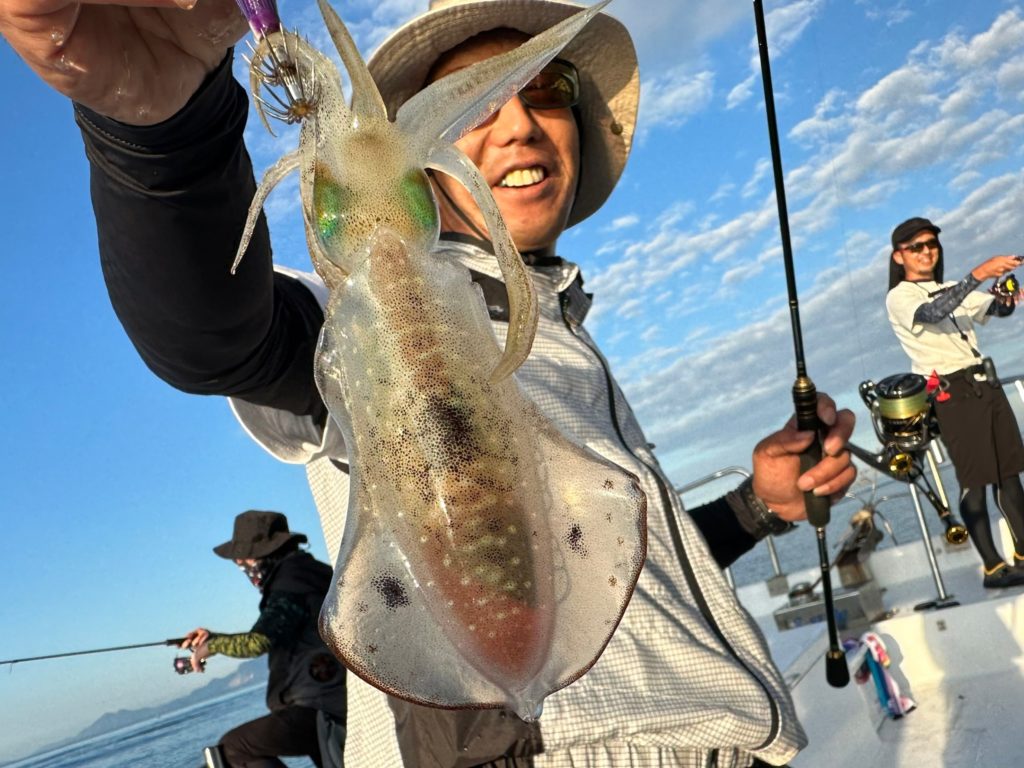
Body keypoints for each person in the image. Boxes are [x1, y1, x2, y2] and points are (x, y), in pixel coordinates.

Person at [0, 1, 857, 766]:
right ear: (423, 169)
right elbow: (212, 335)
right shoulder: (341, 330)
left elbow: (603, 580)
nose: (519, 124)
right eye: (473, 102)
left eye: (548, 89)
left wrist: (756, 507)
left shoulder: (566, 335)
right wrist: (164, 133)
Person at [886, 216, 1024, 589]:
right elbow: (933, 313)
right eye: (916, 246)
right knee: (974, 482)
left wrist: (1005, 294)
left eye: (931, 244)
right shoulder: (899, 297)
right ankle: (993, 568)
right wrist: (978, 273)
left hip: (985, 383)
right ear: (899, 256)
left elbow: (997, 310)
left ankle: (1023, 556)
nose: (926, 251)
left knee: (1010, 474)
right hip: (950, 392)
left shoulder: (952, 288)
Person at [181, 510, 347, 768]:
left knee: (233, 749)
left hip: (318, 706)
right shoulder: (310, 574)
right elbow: (279, 628)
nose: (241, 565)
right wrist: (215, 638)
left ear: (264, 553)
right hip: (329, 700)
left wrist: (212, 645)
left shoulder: (292, 581)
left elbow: (258, 641)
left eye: (243, 559)